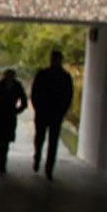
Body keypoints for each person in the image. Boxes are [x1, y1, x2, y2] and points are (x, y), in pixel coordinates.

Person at [30, 49, 74, 179]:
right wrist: (38, 107)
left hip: (53, 113)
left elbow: (68, 96)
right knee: (41, 139)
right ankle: (39, 159)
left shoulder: (60, 76)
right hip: (46, 112)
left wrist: (61, 111)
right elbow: (35, 93)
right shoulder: (48, 75)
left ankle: (48, 168)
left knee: (50, 141)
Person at [0, 68, 27, 175]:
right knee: (1, 141)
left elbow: (24, 102)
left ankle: (1, 163)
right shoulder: (1, 85)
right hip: (0, 117)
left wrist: (16, 111)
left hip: (9, 117)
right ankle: (1, 164)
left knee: (5, 141)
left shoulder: (17, 86)